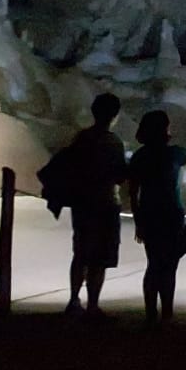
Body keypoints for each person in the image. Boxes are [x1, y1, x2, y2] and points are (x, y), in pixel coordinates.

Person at [61, 93, 127, 318]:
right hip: (106, 203)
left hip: (83, 203)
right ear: (115, 115)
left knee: (80, 252)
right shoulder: (113, 142)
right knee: (99, 257)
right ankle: (93, 305)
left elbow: (70, 167)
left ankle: (73, 300)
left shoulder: (82, 138)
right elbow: (119, 175)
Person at [128, 110, 186, 327]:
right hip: (172, 214)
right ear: (164, 130)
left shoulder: (139, 157)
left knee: (153, 264)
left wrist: (138, 221)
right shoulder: (175, 154)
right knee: (169, 266)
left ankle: (151, 313)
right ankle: (167, 314)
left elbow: (133, 192)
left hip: (150, 214)